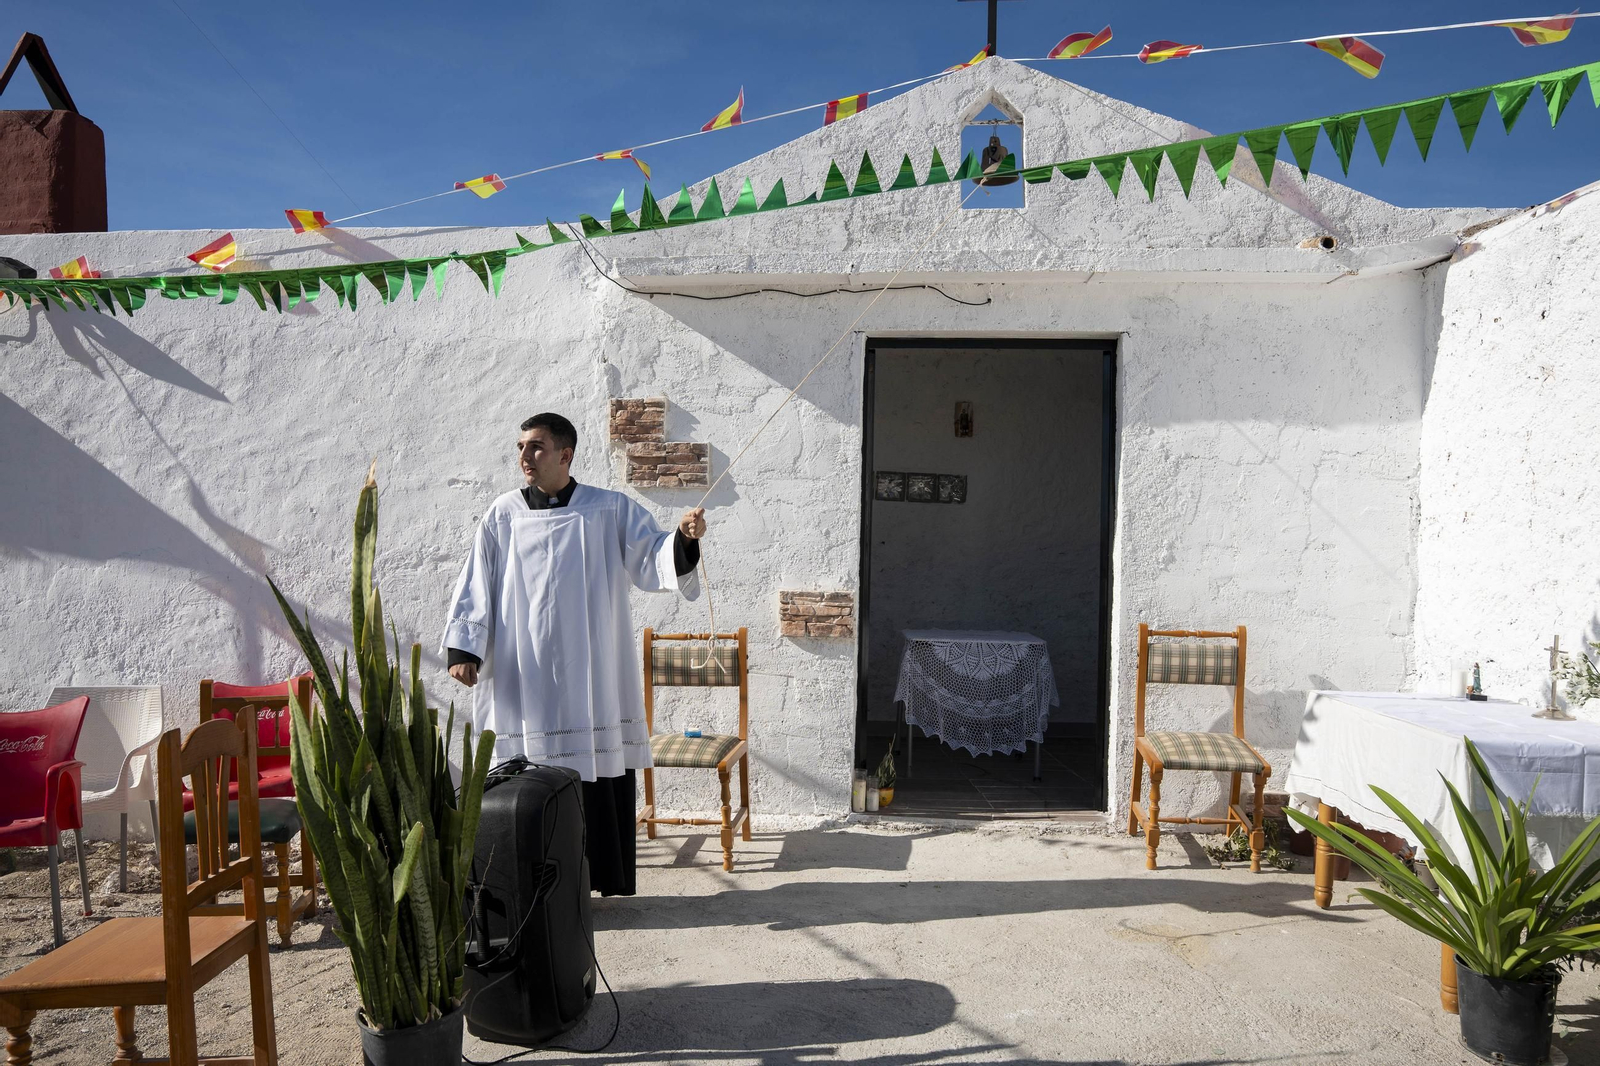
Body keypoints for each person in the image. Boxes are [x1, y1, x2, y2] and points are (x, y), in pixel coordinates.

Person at [443, 412, 705, 896]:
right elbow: (476, 582)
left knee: (590, 767)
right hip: (522, 675)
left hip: (591, 675)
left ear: (565, 455)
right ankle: (519, 887)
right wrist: (465, 650)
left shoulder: (608, 510)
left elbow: (651, 557)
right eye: (521, 446)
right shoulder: (502, 514)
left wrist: (684, 539)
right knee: (519, 773)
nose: (524, 456)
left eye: (536, 447)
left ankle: (591, 881)